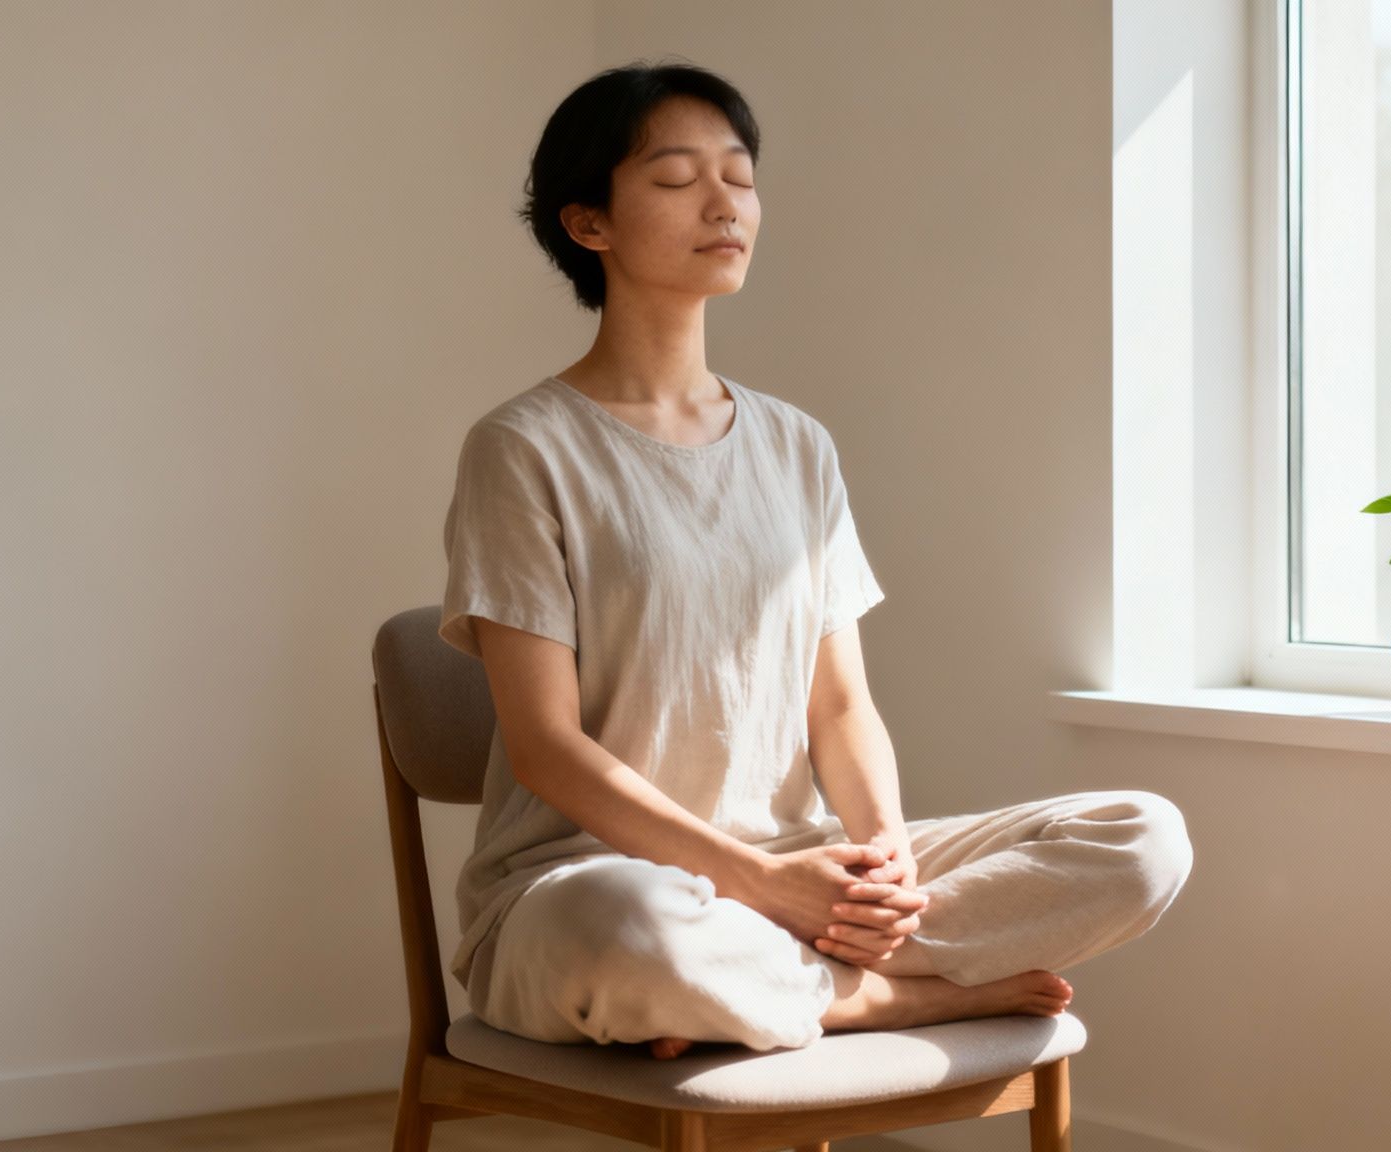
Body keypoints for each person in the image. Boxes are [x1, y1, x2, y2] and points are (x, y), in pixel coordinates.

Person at [438, 59, 1193, 1060]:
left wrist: (881, 863)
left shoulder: (796, 445)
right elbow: (543, 747)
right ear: (590, 225)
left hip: (803, 874)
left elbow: (838, 708)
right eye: (675, 180)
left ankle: (789, 984)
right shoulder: (524, 447)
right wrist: (754, 886)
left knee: (1141, 839)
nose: (724, 203)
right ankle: (878, 998)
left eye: (740, 176)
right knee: (635, 935)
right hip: (593, 883)